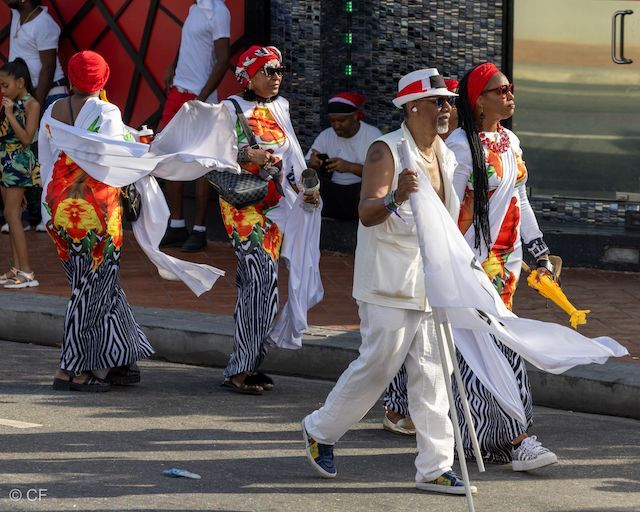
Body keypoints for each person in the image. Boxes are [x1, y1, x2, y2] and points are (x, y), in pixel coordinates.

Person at [302, 68, 477, 496]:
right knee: (379, 364)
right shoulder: (387, 150)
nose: (448, 109)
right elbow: (366, 212)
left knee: (435, 373)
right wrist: (395, 196)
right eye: (439, 101)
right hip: (389, 280)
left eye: (450, 101)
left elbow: (448, 220)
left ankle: (435, 467)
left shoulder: (446, 154)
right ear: (413, 105)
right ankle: (319, 430)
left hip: (432, 280)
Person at [384, 62, 558, 472]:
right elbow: (442, 207)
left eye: (510, 88)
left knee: (481, 347)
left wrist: (539, 251)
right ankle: (519, 437)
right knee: (490, 347)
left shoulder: (510, 141)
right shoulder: (460, 148)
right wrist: (453, 261)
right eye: (500, 90)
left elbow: (521, 200)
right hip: (472, 263)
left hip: (506, 264)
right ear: (477, 100)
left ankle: (480, 435)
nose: (509, 94)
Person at [42, 51, 153, 391]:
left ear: (72, 79)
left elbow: (46, 159)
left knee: (98, 286)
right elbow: (111, 159)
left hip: (60, 206)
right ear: (103, 80)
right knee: (89, 290)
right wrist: (141, 147)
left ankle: (121, 358)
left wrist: (49, 209)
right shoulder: (107, 111)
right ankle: (70, 370)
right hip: (97, 210)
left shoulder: (52, 110)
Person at [219, 45, 320, 394]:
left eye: (279, 70)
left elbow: (292, 155)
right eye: (268, 71)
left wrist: (305, 186)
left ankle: (247, 362)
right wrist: (246, 153)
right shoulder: (230, 109)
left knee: (262, 286)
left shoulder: (281, 107)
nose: (277, 77)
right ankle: (240, 369)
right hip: (243, 207)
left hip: (276, 205)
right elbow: (208, 154)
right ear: (249, 76)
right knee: (260, 281)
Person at [159, 0, 230, 252]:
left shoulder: (219, 11)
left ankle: (199, 229)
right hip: (179, 90)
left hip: (201, 96)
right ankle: (177, 224)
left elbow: (223, 58)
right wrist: (173, 64)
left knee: (201, 164)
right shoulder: (195, 7)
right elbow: (187, 41)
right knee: (169, 156)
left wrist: (202, 97)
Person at [4, 0, 67, 233]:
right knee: (21, 158)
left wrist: (35, 106)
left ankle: (47, 217)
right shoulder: (18, 15)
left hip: (48, 97)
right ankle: (22, 218)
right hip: (28, 99)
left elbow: (48, 68)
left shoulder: (44, 24)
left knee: (47, 160)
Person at [305, 92, 381, 220]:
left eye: (341, 121)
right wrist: (313, 163)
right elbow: (306, 163)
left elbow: (381, 174)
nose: (336, 125)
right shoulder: (326, 135)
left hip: (360, 192)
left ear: (356, 116)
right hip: (332, 191)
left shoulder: (372, 135)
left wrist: (350, 167)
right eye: (332, 121)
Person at [0, 58, 40, 288]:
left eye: (6, 85)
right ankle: (16, 269)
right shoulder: (10, 103)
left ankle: (27, 272)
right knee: (10, 215)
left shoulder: (31, 105)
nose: (2, 90)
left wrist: (11, 115)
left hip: (19, 161)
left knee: (11, 214)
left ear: (20, 82)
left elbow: (26, 139)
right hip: (5, 160)